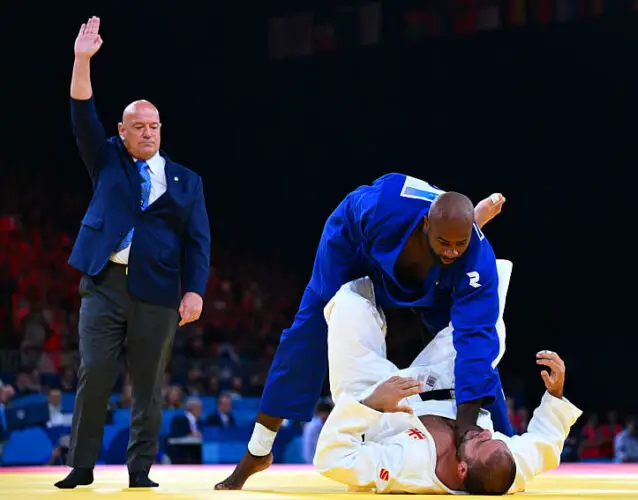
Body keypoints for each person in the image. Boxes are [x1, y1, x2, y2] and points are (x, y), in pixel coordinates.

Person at [216, 174, 507, 489]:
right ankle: (257, 451)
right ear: (426, 225)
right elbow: (356, 220)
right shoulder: (381, 208)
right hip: (356, 246)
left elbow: (476, 342)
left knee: (462, 349)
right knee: (310, 328)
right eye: (446, 242)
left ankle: (506, 441)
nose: (453, 251)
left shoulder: (476, 259)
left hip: (434, 274)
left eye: (460, 242)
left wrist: (468, 432)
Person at [55, 16, 210, 489]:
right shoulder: (105, 160)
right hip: (103, 285)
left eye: (153, 126)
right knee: (95, 372)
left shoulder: (187, 181)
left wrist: (195, 291)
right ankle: (81, 468)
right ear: (121, 132)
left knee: (148, 385)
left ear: (161, 130)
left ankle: (139, 470)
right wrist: (82, 60)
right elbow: (82, 111)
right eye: (137, 126)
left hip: (159, 292)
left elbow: (198, 242)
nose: (147, 133)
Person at [313, 275, 582, 494]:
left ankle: (374, 269)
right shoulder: (504, 465)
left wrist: (370, 405)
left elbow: (332, 460)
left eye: (479, 442)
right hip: (442, 384)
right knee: (488, 316)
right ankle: (462, 251)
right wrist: (555, 394)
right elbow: (545, 443)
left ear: (462, 470)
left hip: (379, 401)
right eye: (495, 440)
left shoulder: (409, 470)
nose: (487, 434)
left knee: (349, 304)